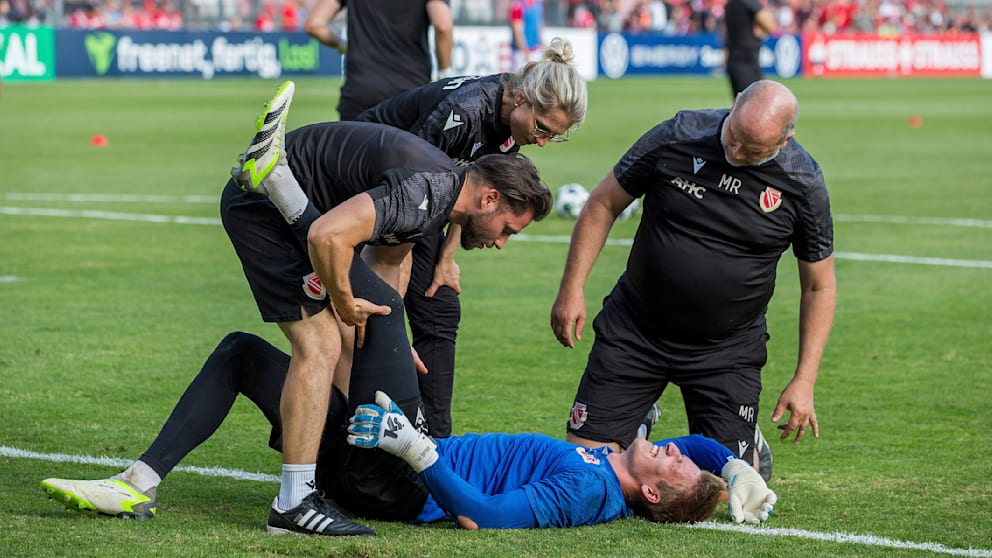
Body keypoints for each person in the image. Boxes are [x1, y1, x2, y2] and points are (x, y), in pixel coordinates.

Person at [40, 257, 776, 529]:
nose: (676, 447)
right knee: (241, 355)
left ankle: (290, 198)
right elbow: (703, 452)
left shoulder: (586, 496)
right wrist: (733, 467)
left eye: (675, 461)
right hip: (381, 460)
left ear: (651, 494)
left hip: (394, 479)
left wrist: (419, 451)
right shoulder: (614, 464)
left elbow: (484, 515)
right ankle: (138, 482)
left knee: (376, 304)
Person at [216, 81, 551, 535]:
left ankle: (149, 478)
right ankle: (294, 503)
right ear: (489, 198)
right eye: (507, 229)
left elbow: (385, 271)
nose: (500, 243)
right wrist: (341, 300)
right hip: (264, 207)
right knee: (320, 344)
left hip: (296, 197)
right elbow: (327, 237)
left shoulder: (440, 195)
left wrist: (388, 344)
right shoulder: (429, 193)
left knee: (347, 331)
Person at [550, 80, 836, 482]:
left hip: (725, 351)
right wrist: (572, 288)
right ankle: (637, 421)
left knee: (714, 488)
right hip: (636, 329)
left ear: (785, 142)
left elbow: (818, 285)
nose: (734, 152)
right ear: (734, 105)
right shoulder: (678, 135)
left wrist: (804, 380)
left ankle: (742, 443)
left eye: (751, 151)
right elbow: (603, 203)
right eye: (734, 136)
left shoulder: (802, 183)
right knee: (587, 472)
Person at [352, 37, 588, 437]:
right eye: (543, 128)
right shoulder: (462, 113)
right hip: (366, 190)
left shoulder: (510, 121)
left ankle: (432, 438)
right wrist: (395, 259)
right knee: (374, 312)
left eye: (555, 136)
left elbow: (473, 195)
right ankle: (406, 431)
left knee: (439, 308)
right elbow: (412, 186)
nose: (543, 142)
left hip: (415, 200)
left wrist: (445, 258)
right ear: (524, 98)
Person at [302, 0, 454, 120]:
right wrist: (444, 73)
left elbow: (314, 25)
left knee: (353, 158)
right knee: (404, 157)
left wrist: (343, 45)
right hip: (408, 91)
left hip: (360, 91)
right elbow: (442, 25)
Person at [723, 0, 778, 96]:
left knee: (741, 103)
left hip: (736, 58)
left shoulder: (730, 4)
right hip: (747, 60)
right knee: (753, 101)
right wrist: (761, 30)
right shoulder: (749, 3)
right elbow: (771, 26)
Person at [509, 0, 544, 71]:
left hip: (535, 50)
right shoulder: (517, 5)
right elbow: (517, 30)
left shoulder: (538, 3)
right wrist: (524, 50)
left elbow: (539, 24)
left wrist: (542, 43)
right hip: (521, 52)